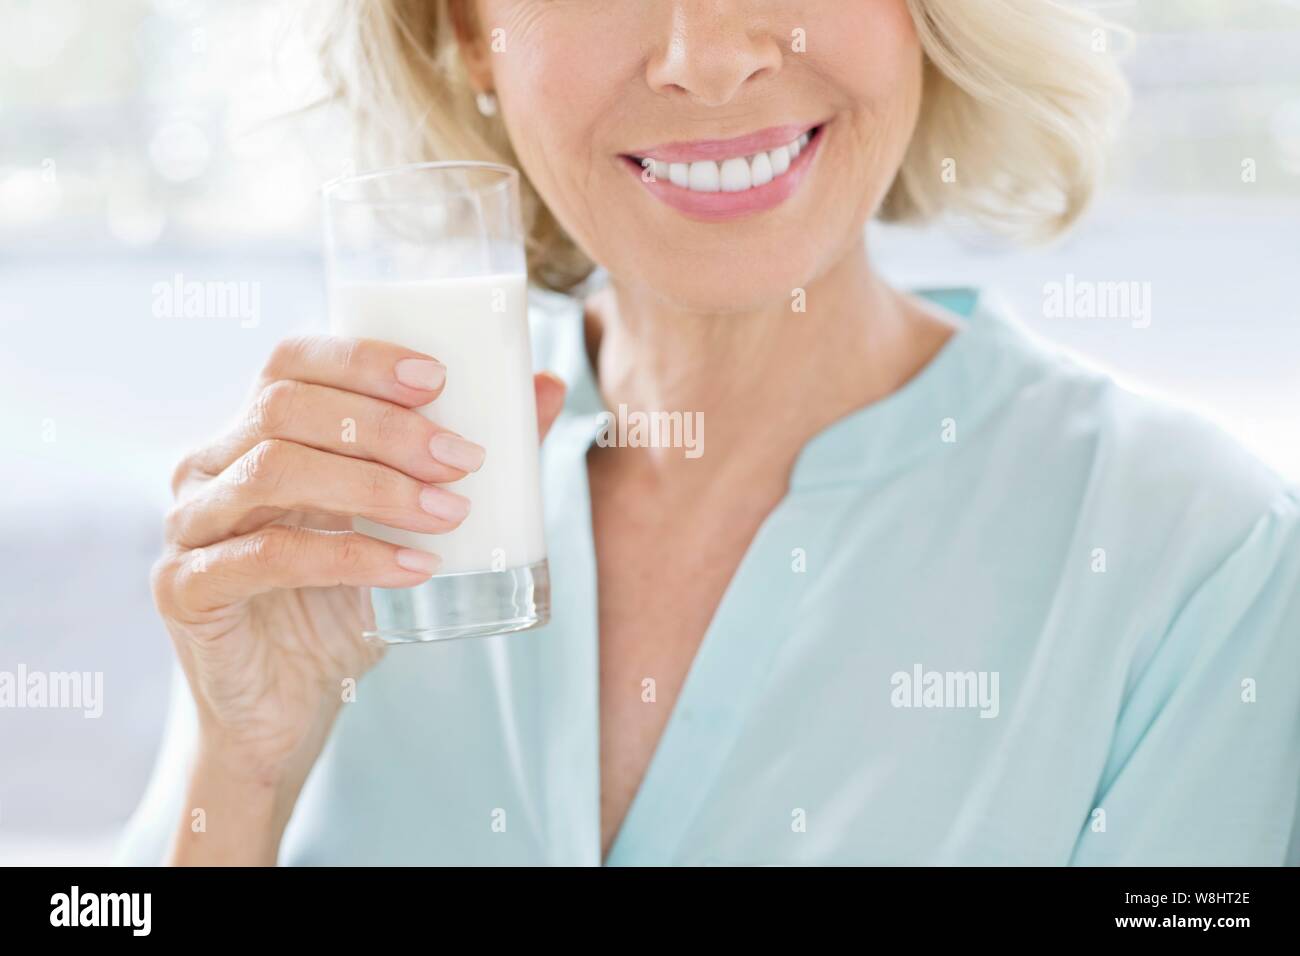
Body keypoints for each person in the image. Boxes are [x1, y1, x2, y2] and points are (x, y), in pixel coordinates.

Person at [121, 0, 1300, 865]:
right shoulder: (350, 498)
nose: (708, 54)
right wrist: (242, 772)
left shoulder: (1199, 564)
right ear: (465, 31)